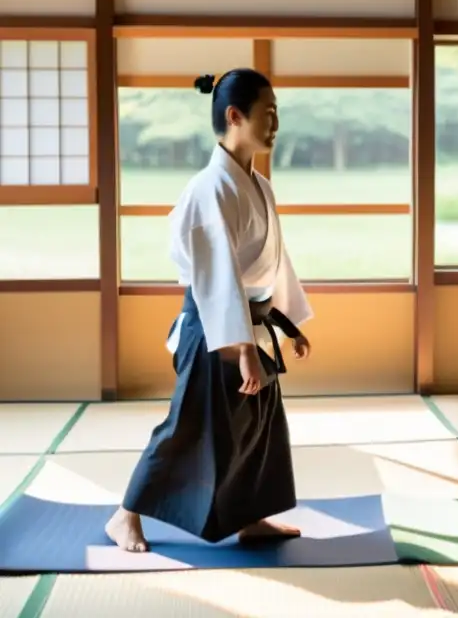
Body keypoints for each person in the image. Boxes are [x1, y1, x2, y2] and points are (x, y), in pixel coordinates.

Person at [105, 69, 314, 553]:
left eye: (278, 111)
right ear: (235, 116)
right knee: (189, 427)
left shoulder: (258, 185)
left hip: (250, 327)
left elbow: (272, 262)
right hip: (215, 330)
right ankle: (125, 514)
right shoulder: (209, 188)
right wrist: (241, 348)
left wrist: (285, 324)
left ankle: (251, 517)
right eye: (269, 112)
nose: (277, 122)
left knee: (258, 425)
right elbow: (216, 279)